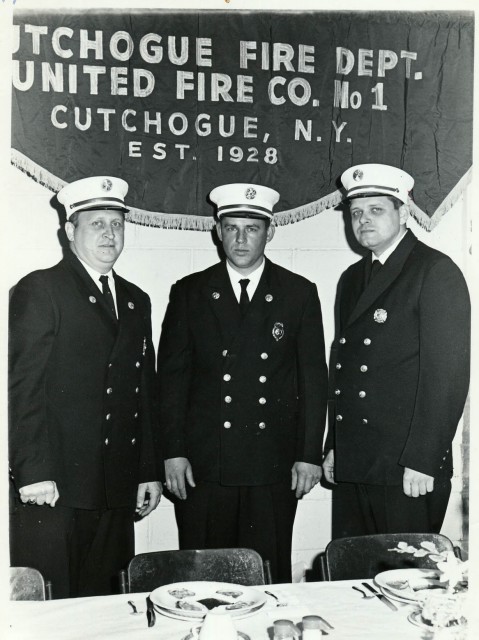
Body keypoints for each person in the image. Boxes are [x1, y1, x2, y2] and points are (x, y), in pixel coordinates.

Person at [157, 183, 328, 582]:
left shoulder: (298, 293)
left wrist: (309, 454)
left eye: (251, 229)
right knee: (204, 577)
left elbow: (313, 380)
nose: (240, 239)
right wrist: (173, 452)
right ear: (217, 231)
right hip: (204, 465)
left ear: (270, 232)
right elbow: (171, 382)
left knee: (266, 574)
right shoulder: (190, 292)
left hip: (273, 464)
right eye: (231, 228)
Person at [9, 176, 162, 598]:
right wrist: (34, 472)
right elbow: (22, 389)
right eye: (97, 224)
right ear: (69, 230)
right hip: (55, 487)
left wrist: (148, 469)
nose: (110, 234)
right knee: (55, 605)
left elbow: (142, 392)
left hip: (116, 484)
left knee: (108, 605)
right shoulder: (41, 289)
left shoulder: (136, 299)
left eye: (117, 224)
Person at [322, 163, 470, 537]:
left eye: (376, 210)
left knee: (401, 582)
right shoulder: (353, 278)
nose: (363, 221)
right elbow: (345, 368)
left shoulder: (434, 271)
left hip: (406, 467)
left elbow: (447, 376)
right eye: (356, 213)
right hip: (357, 460)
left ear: (404, 213)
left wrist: (423, 459)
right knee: (352, 579)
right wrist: (335, 446)